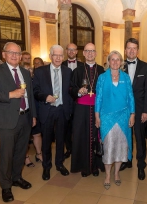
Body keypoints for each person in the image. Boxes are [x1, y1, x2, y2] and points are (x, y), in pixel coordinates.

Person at [0, 42, 36, 202]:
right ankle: (5, 186)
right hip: (7, 119)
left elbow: (31, 96)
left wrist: (33, 115)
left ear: (21, 56)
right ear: (4, 54)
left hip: (25, 117)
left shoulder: (25, 72)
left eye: (17, 53)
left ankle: (16, 177)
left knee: (21, 151)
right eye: (11, 52)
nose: (14, 56)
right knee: (6, 154)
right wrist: (10, 95)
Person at [95, 50, 135, 189]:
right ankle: (107, 175)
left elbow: (131, 97)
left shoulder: (126, 77)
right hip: (106, 117)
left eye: (118, 59)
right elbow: (98, 98)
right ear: (108, 61)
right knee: (109, 146)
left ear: (121, 62)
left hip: (123, 117)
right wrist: (97, 116)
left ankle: (116, 173)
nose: (115, 62)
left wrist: (132, 114)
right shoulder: (102, 77)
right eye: (113, 59)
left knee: (121, 146)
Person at [33, 45, 72, 180]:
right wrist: (45, 97)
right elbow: (35, 91)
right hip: (47, 109)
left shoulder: (68, 72)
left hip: (62, 110)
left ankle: (59, 164)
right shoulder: (40, 72)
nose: (58, 58)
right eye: (55, 55)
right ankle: (46, 166)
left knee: (61, 139)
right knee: (47, 140)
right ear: (50, 56)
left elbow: (70, 92)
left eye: (61, 55)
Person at [70, 43, 105, 177]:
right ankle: (84, 166)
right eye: (87, 51)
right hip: (81, 109)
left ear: (96, 53)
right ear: (83, 53)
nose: (90, 53)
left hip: (98, 108)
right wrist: (78, 91)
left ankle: (95, 166)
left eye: (92, 51)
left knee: (97, 136)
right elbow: (70, 88)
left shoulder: (101, 70)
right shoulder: (77, 71)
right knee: (82, 136)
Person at [120, 38, 147, 181]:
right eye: (129, 48)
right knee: (125, 136)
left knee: (139, 138)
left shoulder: (145, 67)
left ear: (138, 50)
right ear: (125, 50)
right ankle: (127, 161)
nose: (131, 51)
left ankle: (141, 165)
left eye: (134, 48)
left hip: (139, 109)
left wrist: (146, 111)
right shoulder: (119, 66)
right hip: (122, 109)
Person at [62, 43, 84, 159]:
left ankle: (78, 148)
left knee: (78, 126)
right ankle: (69, 148)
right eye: (69, 49)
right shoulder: (61, 64)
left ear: (77, 52)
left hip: (78, 100)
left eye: (73, 50)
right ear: (66, 51)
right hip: (65, 100)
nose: (71, 52)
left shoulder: (83, 65)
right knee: (66, 127)